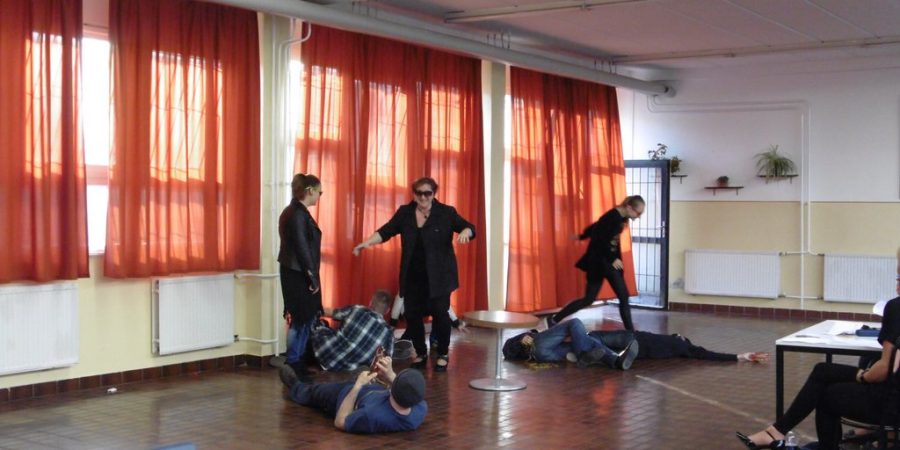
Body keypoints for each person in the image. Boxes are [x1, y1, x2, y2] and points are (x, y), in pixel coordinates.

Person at [737, 266, 900, 450]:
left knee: (826, 394)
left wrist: (863, 376)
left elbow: (885, 370)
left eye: (898, 278)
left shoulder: (896, 307)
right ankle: (777, 432)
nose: (896, 284)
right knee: (823, 371)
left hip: (891, 404)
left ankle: (805, 440)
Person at [353, 177, 475, 372]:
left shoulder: (446, 213)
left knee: (440, 313)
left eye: (428, 193)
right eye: (419, 193)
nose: (423, 197)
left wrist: (465, 233)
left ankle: (443, 353)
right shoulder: (405, 213)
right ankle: (421, 352)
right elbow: (386, 231)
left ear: (434, 194)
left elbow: (468, 226)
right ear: (414, 194)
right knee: (412, 315)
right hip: (412, 275)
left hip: (440, 276)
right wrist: (366, 242)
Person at [549, 195, 645, 331]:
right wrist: (612, 258)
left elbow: (595, 227)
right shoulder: (611, 217)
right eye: (638, 213)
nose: (638, 216)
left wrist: (582, 235)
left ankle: (631, 332)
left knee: (622, 297)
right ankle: (553, 319)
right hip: (600, 263)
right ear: (629, 207)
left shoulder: (622, 218)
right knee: (590, 299)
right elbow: (598, 239)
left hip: (608, 263)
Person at [280, 356, 427, 434]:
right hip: (371, 391)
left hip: (343, 398)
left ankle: (296, 387)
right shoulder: (419, 407)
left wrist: (357, 386)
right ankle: (355, 378)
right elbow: (405, 389)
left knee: (317, 391)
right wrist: (390, 374)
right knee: (364, 372)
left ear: (394, 391)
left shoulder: (371, 415)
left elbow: (340, 422)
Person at [277, 173, 324, 377]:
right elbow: (302, 248)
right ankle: (293, 362)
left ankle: (297, 361)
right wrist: (311, 277)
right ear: (310, 191)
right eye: (320, 192)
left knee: (304, 318)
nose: (320, 195)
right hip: (298, 274)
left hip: (296, 271)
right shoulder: (297, 214)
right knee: (301, 319)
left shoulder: (295, 212)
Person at [502, 318, 640, 370]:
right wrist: (520, 340)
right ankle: (582, 355)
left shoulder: (540, 337)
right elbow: (506, 349)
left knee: (588, 342)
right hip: (537, 347)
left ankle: (616, 361)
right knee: (575, 323)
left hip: (548, 355)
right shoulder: (527, 338)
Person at [312, 289, 395, 372]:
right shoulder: (389, 334)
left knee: (321, 324)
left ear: (370, 303)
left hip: (324, 354)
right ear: (387, 310)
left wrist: (314, 310)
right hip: (347, 371)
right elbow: (386, 363)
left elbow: (330, 312)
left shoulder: (356, 309)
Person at [589, 329, 768, 363]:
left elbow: (710, 355)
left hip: (633, 338)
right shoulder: (683, 348)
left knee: (594, 336)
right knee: (598, 343)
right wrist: (739, 356)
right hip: (637, 348)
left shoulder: (687, 348)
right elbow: (708, 355)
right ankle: (600, 355)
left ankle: (590, 352)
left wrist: (739, 356)